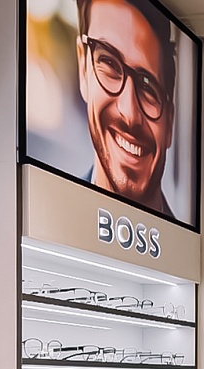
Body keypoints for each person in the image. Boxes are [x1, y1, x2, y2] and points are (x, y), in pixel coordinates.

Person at [75, 0, 177, 217]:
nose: (129, 113)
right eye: (110, 64)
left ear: (170, 122)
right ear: (83, 68)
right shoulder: (55, 219)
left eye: (148, 87)